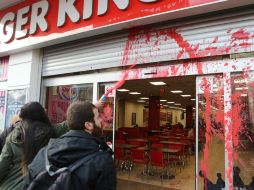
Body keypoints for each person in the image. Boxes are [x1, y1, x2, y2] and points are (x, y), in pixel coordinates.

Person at [25, 101, 116, 190]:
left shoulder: (43, 153)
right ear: (88, 125)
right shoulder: (103, 161)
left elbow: (27, 185)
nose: (101, 120)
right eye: (98, 117)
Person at [0, 102, 55, 190]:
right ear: (43, 115)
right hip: (40, 185)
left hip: (11, 186)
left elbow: (3, 164)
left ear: (22, 117)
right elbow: (69, 123)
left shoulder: (13, 136)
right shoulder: (51, 132)